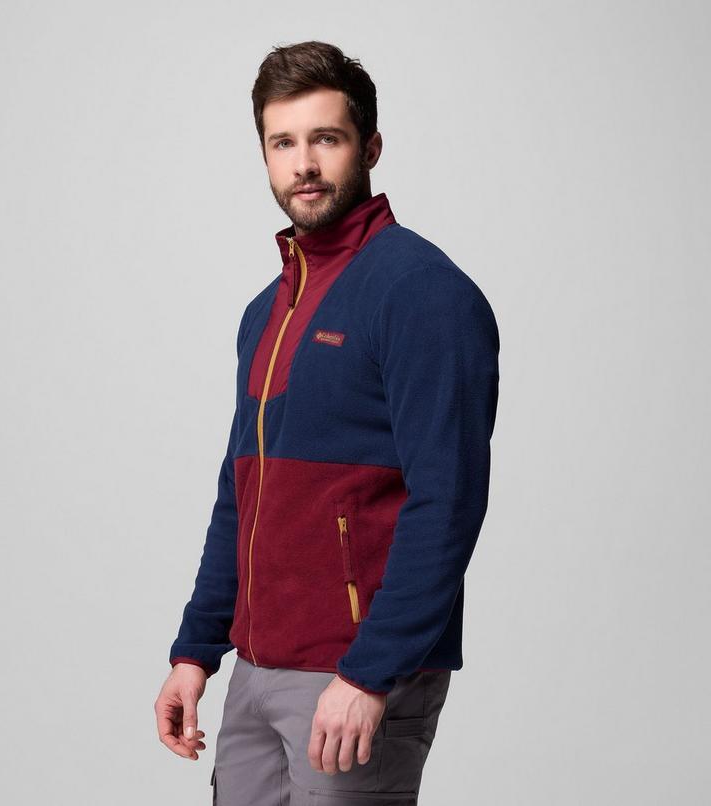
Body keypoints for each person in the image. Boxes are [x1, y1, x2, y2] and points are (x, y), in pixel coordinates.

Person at [154, 40, 500, 805]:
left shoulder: (422, 293)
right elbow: (241, 494)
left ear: (370, 147)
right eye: (283, 143)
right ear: (265, 156)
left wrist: (371, 672)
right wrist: (196, 650)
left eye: (326, 139)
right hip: (256, 672)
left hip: (354, 675)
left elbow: (447, 499)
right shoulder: (266, 312)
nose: (304, 164)